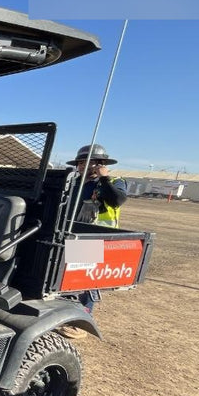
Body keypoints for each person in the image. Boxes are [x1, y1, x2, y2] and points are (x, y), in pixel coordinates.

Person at [58, 144, 127, 340]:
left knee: (85, 277)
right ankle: (65, 313)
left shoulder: (113, 182)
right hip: (70, 232)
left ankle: (82, 320)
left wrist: (104, 178)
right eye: (80, 163)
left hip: (93, 235)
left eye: (87, 163)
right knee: (65, 275)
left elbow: (117, 200)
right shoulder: (75, 182)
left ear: (101, 164)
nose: (82, 167)